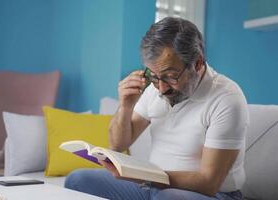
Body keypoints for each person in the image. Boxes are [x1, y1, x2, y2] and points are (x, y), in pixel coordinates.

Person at [65, 17, 248, 200]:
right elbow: (118, 145)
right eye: (153, 76)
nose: (161, 88)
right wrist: (126, 106)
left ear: (198, 63)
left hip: (212, 195)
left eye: (171, 76)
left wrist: (142, 176)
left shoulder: (226, 98)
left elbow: (209, 182)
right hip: (153, 186)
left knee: (168, 198)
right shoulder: (156, 87)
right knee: (77, 180)